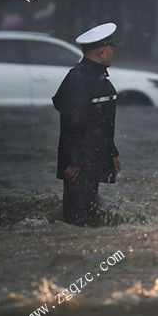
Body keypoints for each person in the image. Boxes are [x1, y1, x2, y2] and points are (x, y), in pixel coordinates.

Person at [52, 22, 121, 226]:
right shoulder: (80, 78)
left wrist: (112, 152)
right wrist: (73, 160)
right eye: (110, 49)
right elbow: (72, 121)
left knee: (86, 215)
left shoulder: (96, 77)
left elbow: (101, 122)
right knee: (77, 221)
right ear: (101, 52)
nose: (112, 54)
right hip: (80, 163)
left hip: (91, 158)